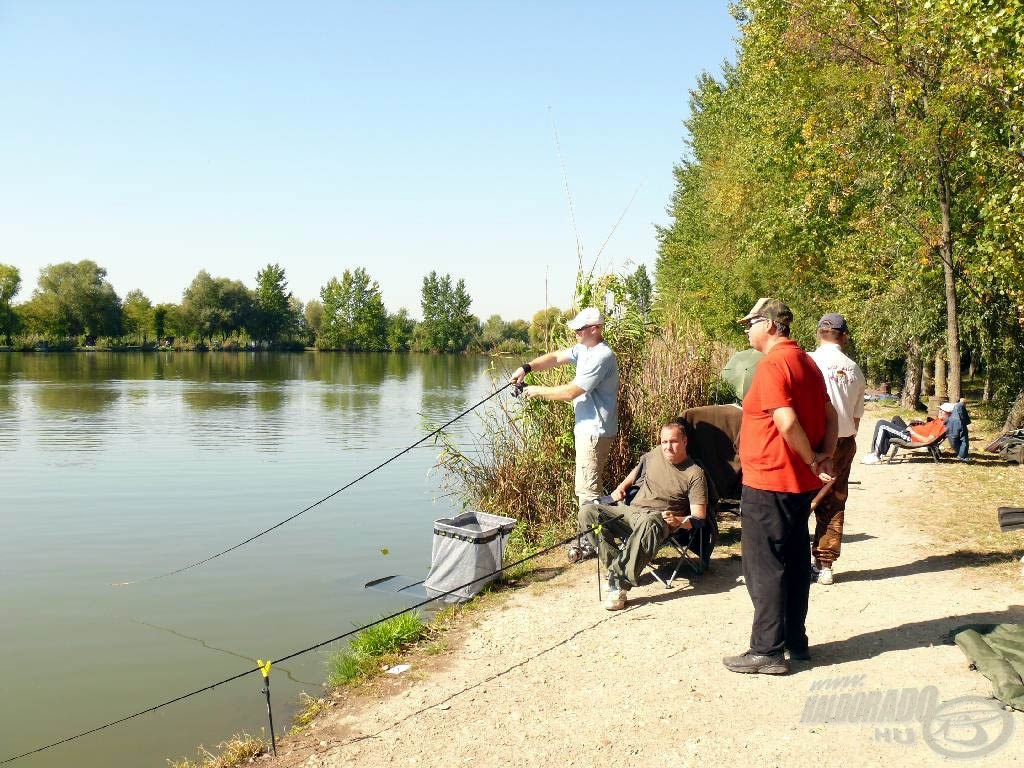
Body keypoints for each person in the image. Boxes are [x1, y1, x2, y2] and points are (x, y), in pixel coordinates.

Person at [723, 298, 837, 675]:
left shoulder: (773, 363)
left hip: (770, 482)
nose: (746, 328)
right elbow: (832, 414)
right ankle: (795, 642)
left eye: (751, 322)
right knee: (791, 562)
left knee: (764, 567)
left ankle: (766, 651)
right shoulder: (806, 361)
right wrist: (824, 454)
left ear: (770, 324)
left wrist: (811, 458)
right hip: (795, 485)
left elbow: (786, 421)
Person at [510, 308, 619, 554]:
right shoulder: (583, 349)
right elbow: (555, 358)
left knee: (588, 491)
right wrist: (526, 368)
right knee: (586, 488)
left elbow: (572, 392)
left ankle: (593, 543)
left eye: (580, 329)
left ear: (595, 329)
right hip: (587, 430)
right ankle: (592, 537)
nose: (575, 332)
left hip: (595, 431)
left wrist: (537, 391)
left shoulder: (602, 356)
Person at [579, 421, 707, 610]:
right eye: (664, 442)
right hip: (631, 512)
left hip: (658, 519)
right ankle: (618, 569)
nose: (667, 447)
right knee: (587, 512)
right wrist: (621, 487)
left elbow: (699, 518)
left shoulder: (695, 473)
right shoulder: (655, 454)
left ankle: (619, 586)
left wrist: (679, 521)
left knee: (650, 521)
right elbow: (637, 470)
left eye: (673, 442)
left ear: (685, 441)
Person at [808, 313, 866, 586]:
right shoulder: (854, 370)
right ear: (844, 336)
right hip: (842, 441)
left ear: (819, 334)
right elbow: (855, 419)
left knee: (797, 500)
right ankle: (825, 564)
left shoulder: (807, 361)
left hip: (807, 441)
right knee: (834, 502)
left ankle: (792, 560)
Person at [860, 406, 950, 464]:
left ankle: (875, 455)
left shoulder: (941, 424)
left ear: (949, 414)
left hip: (910, 437)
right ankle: (882, 449)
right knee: (896, 418)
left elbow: (928, 441)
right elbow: (927, 429)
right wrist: (919, 424)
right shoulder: (939, 421)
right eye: (940, 409)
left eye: (944, 411)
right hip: (911, 431)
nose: (940, 411)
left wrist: (912, 432)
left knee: (882, 424)